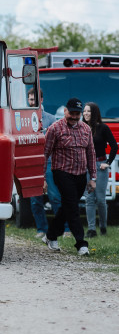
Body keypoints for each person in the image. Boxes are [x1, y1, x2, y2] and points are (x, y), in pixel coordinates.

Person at [42, 97, 96, 256]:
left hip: (80, 175)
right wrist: (42, 178)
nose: (74, 116)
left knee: (68, 206)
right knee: (72, 207)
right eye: (71, 113)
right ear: (65, 111)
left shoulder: (86, 129)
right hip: (62, 173)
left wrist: (93, 178)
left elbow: (91, 154)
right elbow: (45, 154)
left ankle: (51, 235)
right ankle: (81, 243)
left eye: (77, 114)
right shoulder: (54, 129)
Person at [27, 88, 69, 238]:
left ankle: (65, 229)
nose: (33, 102)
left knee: (55, 196)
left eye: (35, 99)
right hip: (32, 164)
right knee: (35, 200)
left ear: (41, 100)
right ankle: (41, 229)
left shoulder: (51, 120)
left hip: (49, 163)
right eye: (31, 99)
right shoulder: (23, 120)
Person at [82, 102, 117, 237]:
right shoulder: (81, 128)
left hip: (99, 166)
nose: (85, 113)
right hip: (86, 167)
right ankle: (91, 229)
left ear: (95, 113)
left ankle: (103, 226)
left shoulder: (103, 128)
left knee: (100, 199)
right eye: (84, 111)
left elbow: (114, 146)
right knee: (89, 198)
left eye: (88, 111)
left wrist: (107, 162)